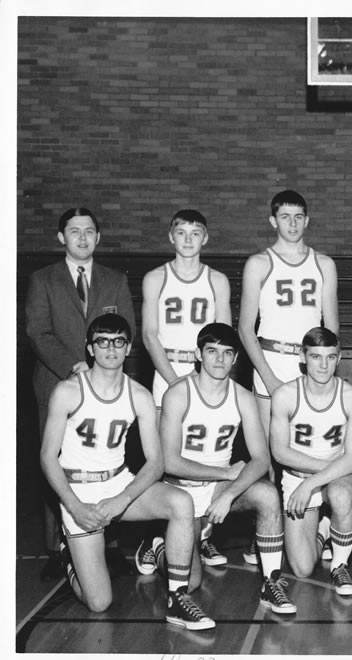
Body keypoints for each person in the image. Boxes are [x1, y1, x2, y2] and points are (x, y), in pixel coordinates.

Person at [39, 313, 213, 630]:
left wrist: (123, 498)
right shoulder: (68, 391)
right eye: (102, 342)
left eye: (118, 342)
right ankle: (69, 552)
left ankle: (176, 596)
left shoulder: (139, 395)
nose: (111, 349)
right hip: (79, 493)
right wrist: (75, 507)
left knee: (182, 505)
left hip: (119, 483)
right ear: (90, 348)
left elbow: (156, 462)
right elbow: (48, 457)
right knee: (99, 602)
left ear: (128, 347)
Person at [144, 322, 295, 615]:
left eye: (227, 353)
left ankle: (271, 583)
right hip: (181, 491)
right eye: (212, 351)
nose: (219, 359)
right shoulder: (177, 394)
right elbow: (170, 462)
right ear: (198, 354)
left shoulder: (242, 397)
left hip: (217, 490)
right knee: (193, 581)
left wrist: (229, 494)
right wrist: (225, 474)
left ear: (236, 358)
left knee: (267, 495)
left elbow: (261, 459)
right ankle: (158, 547)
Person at [25, 207, 136, 580]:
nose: (83, 238)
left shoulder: (114, 280)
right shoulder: (43, 279)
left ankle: (107, 544)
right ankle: (60, 547)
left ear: (98, 237)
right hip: (57, 384)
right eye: (75, 232)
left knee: (108, 460)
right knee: (56, 463)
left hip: (108, 389)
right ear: (62, 238)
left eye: (89, 231)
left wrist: (104, 371)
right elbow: (37, 333)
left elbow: (127, 331)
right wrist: (76, 366)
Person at [140, 208, 231, 566]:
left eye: (196, 233)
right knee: (164, 462)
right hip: (169, 376)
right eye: (182, 232)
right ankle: (155, 538)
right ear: (171, 237)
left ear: (205, 238)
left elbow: (223, 338)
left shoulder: (217, 280)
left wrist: (200, 381)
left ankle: (202, 534)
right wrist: (179, 383)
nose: (189, 239)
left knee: (206, 455)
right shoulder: (155, 278)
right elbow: (149, 335)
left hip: (206, 376)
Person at [270, 327, 352, 596]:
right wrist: (313, 480)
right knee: (302, 568)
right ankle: (324, 531)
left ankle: (340, 565)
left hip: (335, 477)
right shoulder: (285, 395)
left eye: (330, 357)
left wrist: (313, 481)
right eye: (315, 357)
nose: (324, 365)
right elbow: (280, 453)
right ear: (302, 357)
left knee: (341, 495)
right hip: (298, 477)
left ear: (340, 358)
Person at [238, 190, 339, 435]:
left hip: (311, 361)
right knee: (271, 446)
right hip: (271, 359)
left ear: (307, 220)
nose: (292, 224)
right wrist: (269, 378)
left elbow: (332, 328)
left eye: (298, 217)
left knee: (310, 439)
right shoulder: (258, 264)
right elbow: (244, 328)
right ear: (273, 221)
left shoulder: (323, 264)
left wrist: (321, 367)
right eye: (285, 217)